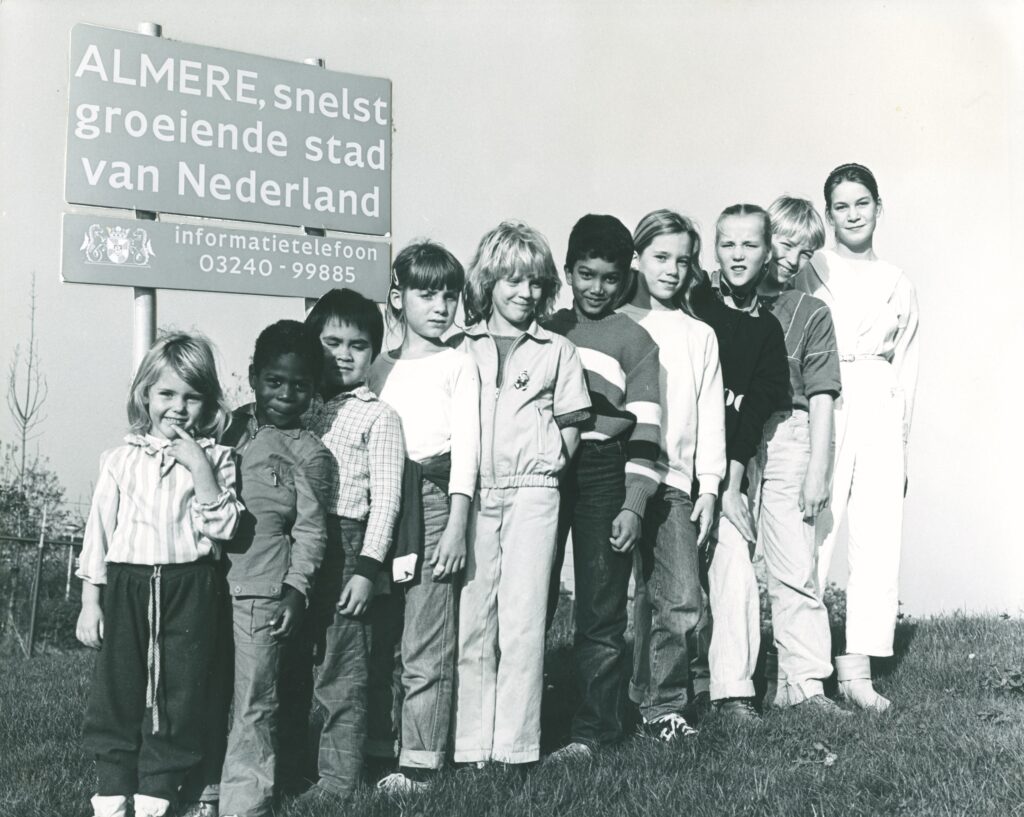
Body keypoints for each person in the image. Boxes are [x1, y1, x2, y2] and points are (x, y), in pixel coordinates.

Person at [75, 333, 242, 817]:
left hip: (191, 587)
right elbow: (99, 533)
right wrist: (90, 601)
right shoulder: (120, 460)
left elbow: (226, 528)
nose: (178, 407)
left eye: (192, 396)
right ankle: (113, 787)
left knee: (180, 691)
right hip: (127, 584)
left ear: (209, 403)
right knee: (118, 686)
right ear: (145, 394)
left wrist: (200, 468)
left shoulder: (218, 458)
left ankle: (159, 787)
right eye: (167, 393)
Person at [454, 221, 591, 767]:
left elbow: (573, 423)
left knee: (524, 621)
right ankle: (471, 747)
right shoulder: (459, 346)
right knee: (472, 619)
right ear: (488, 281)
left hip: (534, 493)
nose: (525, 293)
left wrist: (550, 461)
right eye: (513, 280)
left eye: (536, 282)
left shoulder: (557, 350)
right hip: (472, 492)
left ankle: (515, 748)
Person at [798, 163, 919, 711]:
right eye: (841, 206)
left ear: (878, 208)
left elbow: (907, 367)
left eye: (862, 203)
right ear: (828, 214)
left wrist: (902, 443)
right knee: (813, 527)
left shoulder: (897, 280)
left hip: (879, 400)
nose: (852, 215)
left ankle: (858, 670)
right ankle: (798, 665)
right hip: (825, 398)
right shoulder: (813, 268)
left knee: (877, 534)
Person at [278, 289, 404, 806]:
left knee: (341, 672)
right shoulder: (297, 409)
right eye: (331, 342)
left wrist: (366, 570)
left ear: (374, 352)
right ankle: (287, 770)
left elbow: (387, 500)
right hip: (292, 548)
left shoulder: (379, 417)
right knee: (286, 665)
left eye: (358, 344)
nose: (344, 355)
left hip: (347, 549)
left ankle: (337, 781)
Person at [543, 214, 662, 758]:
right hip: (546, 467)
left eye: (610, 278)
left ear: (626, 278)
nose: (596, 288)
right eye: (586, 274)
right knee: (533, 596)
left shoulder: (636, 341)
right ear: (568, 271)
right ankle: (525, 721)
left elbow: (647, 430)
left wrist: (633, 504)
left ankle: (593, 731)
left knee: (600, 605)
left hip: (605, 471)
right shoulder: (548, 330)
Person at [364, 241, 481, 792]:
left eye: (449, 296)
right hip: (382, 505)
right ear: (398, 297)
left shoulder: (459, 363)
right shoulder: (376, 368)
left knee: (426, 637)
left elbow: (468, 450)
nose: (440, 307)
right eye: (427, 294)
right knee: (380, 635)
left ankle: (421, 760)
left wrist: (457, 524)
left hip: (435, 504)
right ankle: (377, 746)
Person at [218, 320, 334, 817]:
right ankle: (202, 792)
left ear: (314, 389)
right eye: (274, 381)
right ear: (253, 377)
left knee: (254, 702)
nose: (286, 395)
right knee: (205, 693)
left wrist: (296, 589)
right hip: (205, 582)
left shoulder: (311, 454)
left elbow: (311, 531)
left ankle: (246, 804)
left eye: (300, 385)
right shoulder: (226, 428)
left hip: (262, 593)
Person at [620, 209, 726, 741]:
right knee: (619, 602)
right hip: (615, 480)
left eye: (683, 261)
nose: (671, 270)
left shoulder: (699, 334)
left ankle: (663, 706)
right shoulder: (618, 322)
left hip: (674, 483)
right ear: (637, 258)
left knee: (682, 597)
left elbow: (709, 413)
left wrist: (709, 486)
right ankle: (621, 704)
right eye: (660, 257)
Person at [690, 204, 790, 721]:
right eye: (727, 243)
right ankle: (654, 695)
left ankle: (733, 693)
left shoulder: (768, 331)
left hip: (730, 468)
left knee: (734, 564)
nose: (737, 254)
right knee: (669, 580)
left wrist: (730, 488)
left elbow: (752, 417)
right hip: (675, 461)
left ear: (767, 253)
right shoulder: (693, 303)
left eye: (750, 244)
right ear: (714, 250)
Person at [754, 196, 845, 712]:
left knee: (794, 565)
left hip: (791, 434)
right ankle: (726, 686)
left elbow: (822, 395)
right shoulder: (723, 298)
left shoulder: (811, 312)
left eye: (806, 252)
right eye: (787, 244)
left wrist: (818, 470)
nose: (794, 259)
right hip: (734, 435)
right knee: (728, 566)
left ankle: (805, 684)